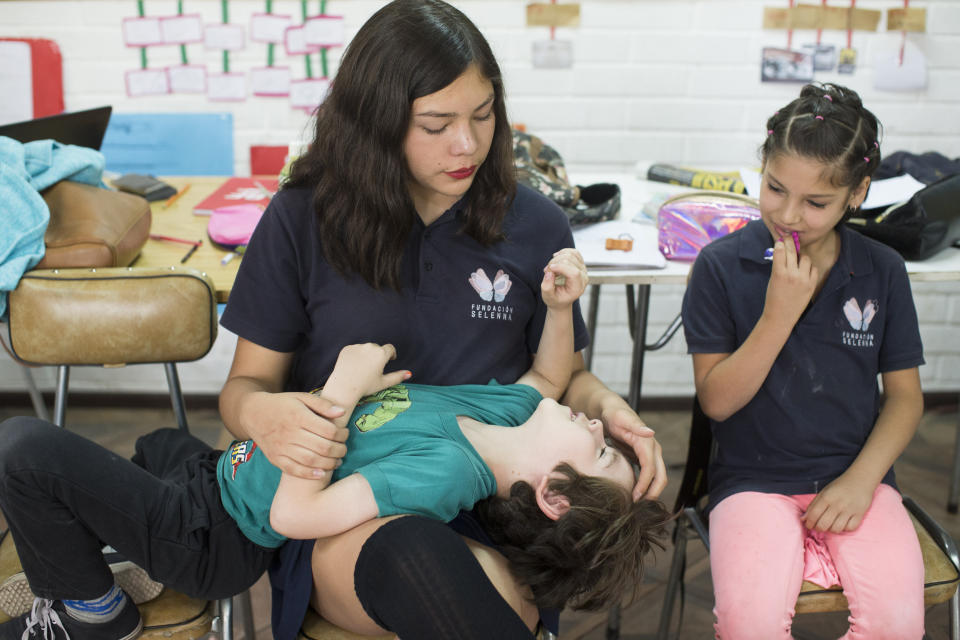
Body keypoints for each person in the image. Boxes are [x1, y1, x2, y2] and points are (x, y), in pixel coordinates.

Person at [218, 1, 667, 638]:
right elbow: (244, 391)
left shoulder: (535, 223)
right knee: (416, 557)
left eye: (483, 116)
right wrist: (267, 416)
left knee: (478, 584)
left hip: (500, 504)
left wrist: (612, 409)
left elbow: (566, 378)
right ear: (375, 124)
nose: (467, 145)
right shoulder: (300, 219)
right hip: (348, 500)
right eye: (436, 124)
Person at [681, 82, 925, 640]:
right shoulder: (721, 267)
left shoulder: (882, 270)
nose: (789, 214)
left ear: (857, 194)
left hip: (856, 478)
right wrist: (777, 315)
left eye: (816, 203)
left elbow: (906, 399)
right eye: (774, 188)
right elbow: (717, 401)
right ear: (762, 169)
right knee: (751, 626)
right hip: (752, 482)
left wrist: (862, 481)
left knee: (898, 624)